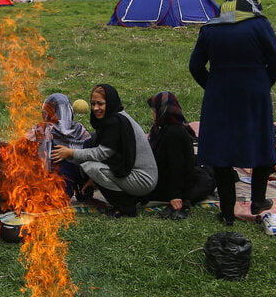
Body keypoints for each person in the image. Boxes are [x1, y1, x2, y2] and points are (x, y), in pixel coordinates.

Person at [189, 0, 276, 225]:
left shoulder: (210, 28)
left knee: (221, 151)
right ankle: (258, 201)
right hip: (255, 94)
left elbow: (195, 66)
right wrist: (262, 84)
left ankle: (228, 213)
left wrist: (212, 86)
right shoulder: (260, 25)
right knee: (261, 142)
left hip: (219, 95)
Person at [51, 84, 157, 218]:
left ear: (110, 102)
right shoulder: (116, 116)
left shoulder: (115, 122)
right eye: (93, 103)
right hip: (136, 175)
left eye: (100, 104)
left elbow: (102, 154)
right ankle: (129, 199)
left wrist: (71, 152)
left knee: (90, 167)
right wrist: (93, 181)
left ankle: (125, 208)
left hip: (143, 180)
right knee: (92, 157)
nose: (96, 108)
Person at [145, 92, 213, 219]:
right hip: (166, 175)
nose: (153, 113)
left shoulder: (173, 133)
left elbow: (176, 166)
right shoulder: (164, 128)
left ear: (163, 110)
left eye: (154, 110)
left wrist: (175, 195)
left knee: (205, 179)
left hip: (170, 183)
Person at [27, 93, 91, 198]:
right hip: (45, 173)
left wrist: (70, 153)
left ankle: (81, 188)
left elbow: (90, 151)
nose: (46, 114)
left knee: (60, 196)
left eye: (52, 111)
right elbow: (22, 145)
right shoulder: (42, 128)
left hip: (70, 172)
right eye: (46, 110)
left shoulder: (78, 130)